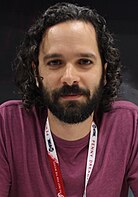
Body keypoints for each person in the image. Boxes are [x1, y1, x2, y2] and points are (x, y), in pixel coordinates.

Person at [0, 2, 137, 197]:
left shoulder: (130, 124)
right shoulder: (7, 125)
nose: (70, 77)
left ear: (104, 73)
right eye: (55, 62)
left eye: (84, 62)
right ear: (36, 71)